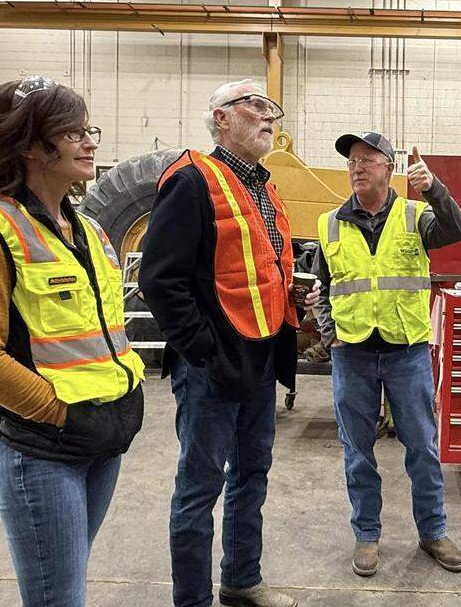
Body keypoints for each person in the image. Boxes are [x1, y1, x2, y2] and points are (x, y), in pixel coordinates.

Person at [0, 76, 146, 607]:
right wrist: (59, 415)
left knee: (68, 583)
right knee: (58, 598)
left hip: (102, 438)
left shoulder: (89, 230)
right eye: (73, 132)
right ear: (30, 145)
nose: (90, 142)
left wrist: (123, 399)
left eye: (89, 130)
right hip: (42, 448)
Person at [140, 79, 315, 607]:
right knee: (199, 487)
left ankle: (241, 579)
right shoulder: (192, 180)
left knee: (252, 474)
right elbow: (160, 279)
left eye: (271, 109)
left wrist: (291, 305)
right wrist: (203, 351)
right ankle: (191, 600)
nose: (269, 117)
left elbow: (256, 269)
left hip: (261, 358)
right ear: (221, 118)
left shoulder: (264, 187)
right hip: (212, 366)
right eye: (255, 107)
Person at [310, 131, 461, 577]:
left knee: (422, 447)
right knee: (358, 452)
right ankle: (366, 536)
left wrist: (434, 188)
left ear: (390, 169)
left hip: (406, 352)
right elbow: (321, 288)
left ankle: (433, 531)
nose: (357, 167)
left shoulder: (416, 215)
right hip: (353, 354)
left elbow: (456, 229)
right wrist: (328, 332)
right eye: (351, 161)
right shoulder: (329, 224)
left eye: (367, 159)